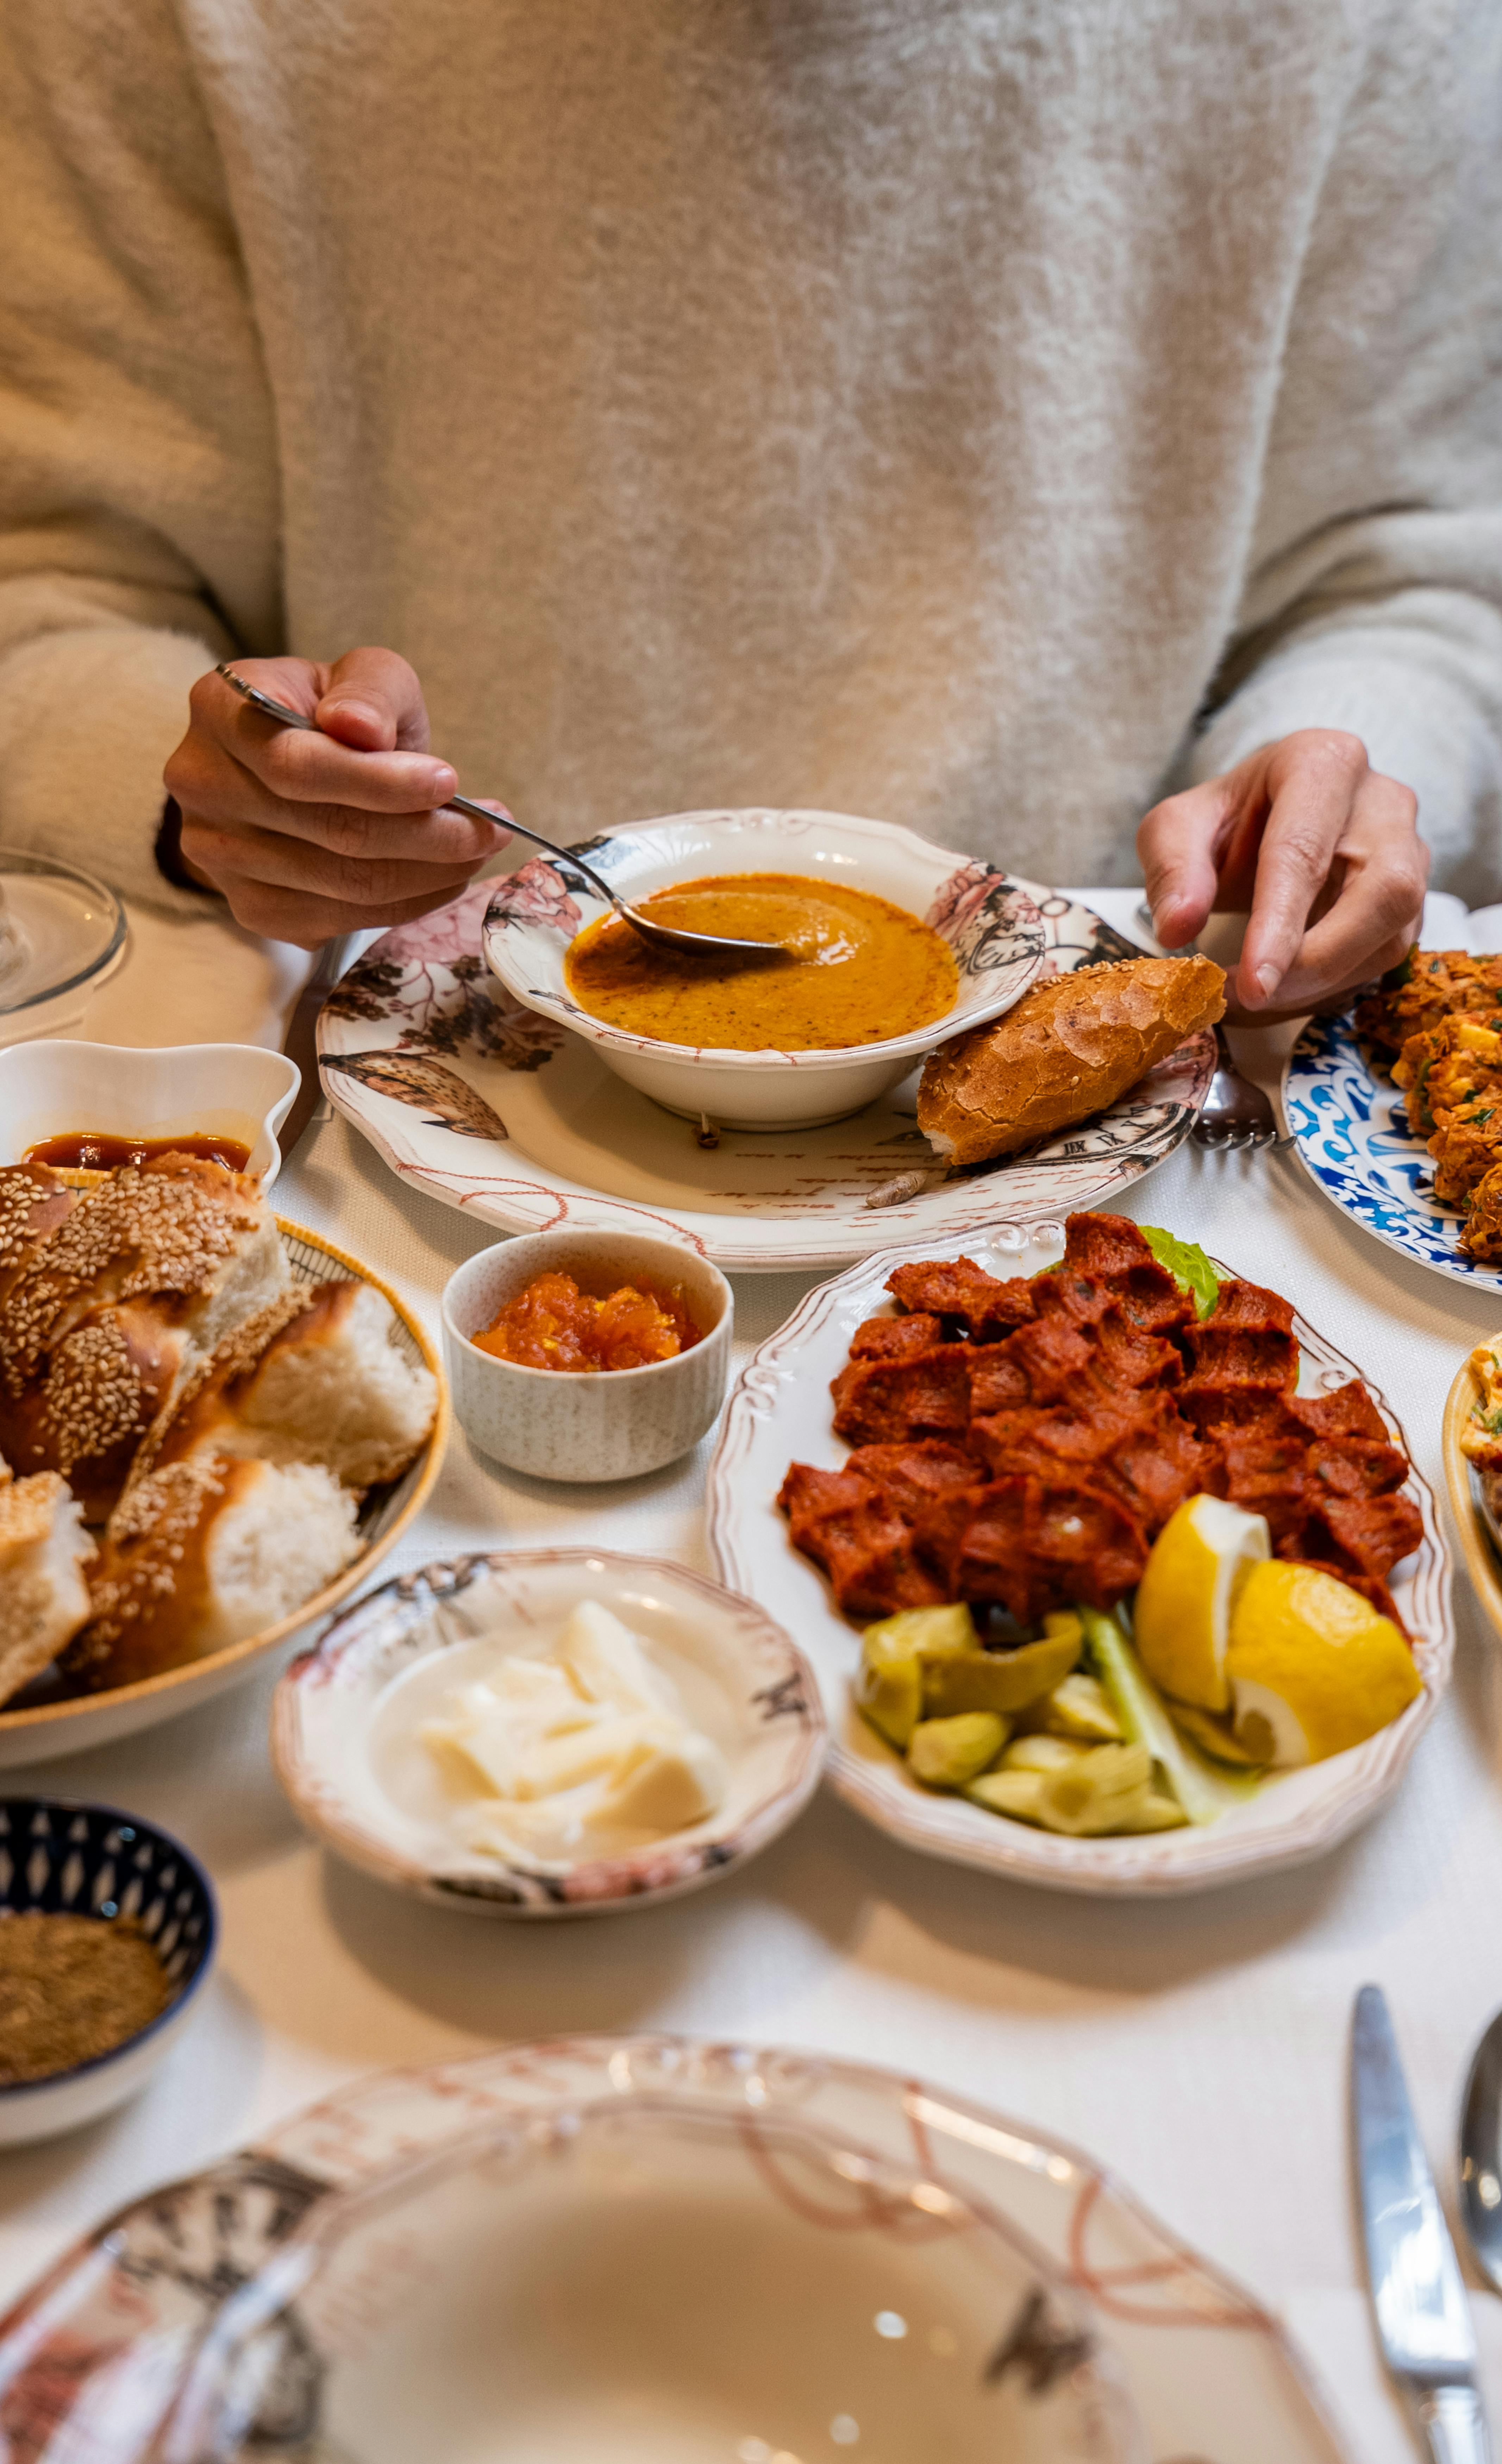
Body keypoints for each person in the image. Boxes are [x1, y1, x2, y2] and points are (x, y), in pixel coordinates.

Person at [1, 2, 1497, 1017]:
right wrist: (205, 791)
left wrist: (1316, 793)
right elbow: (53, 582)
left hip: (1123, 1087)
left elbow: (1417, 581)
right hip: (363, 1093)